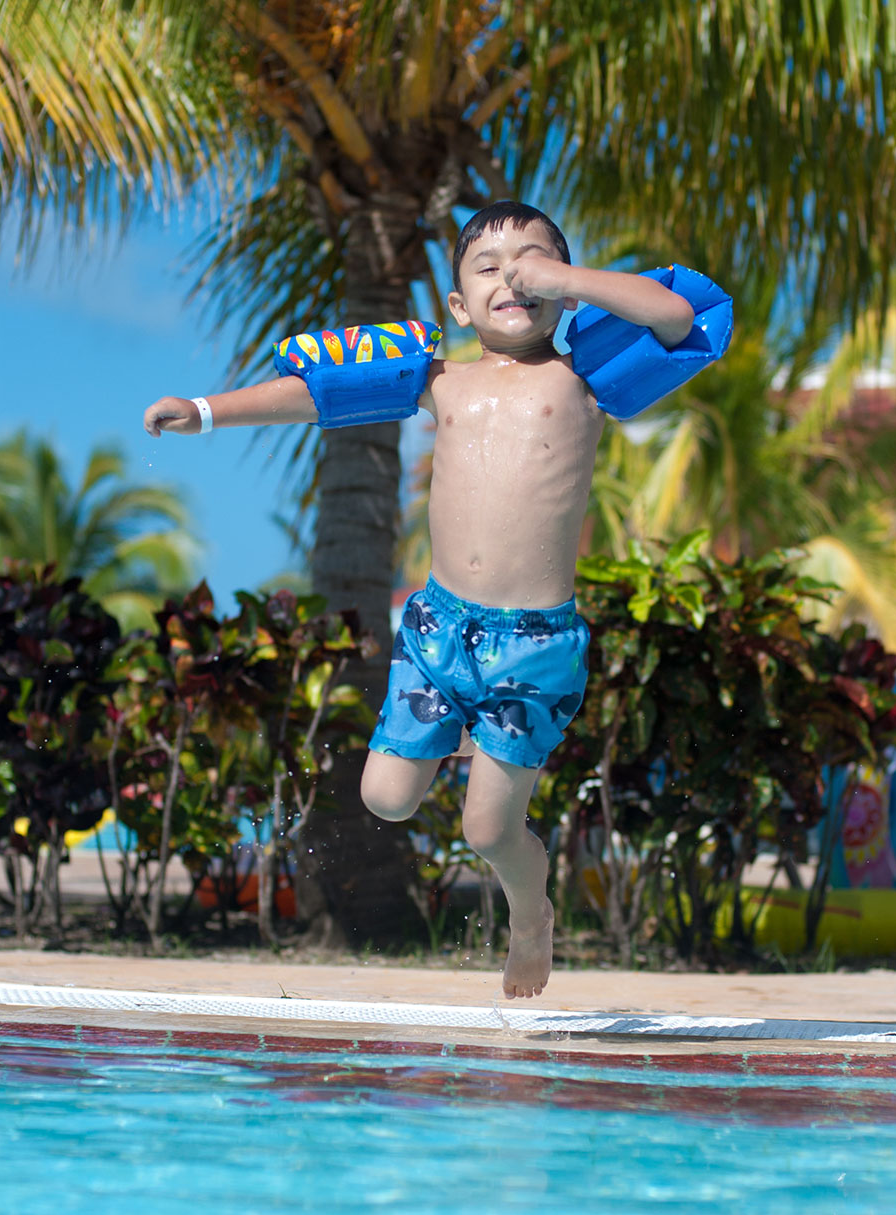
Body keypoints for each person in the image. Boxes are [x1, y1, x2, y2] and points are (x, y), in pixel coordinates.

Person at [144, 201, 695, 999]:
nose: (514, 275)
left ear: (564, 286)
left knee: (488, 830)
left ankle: (530, 913)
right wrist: (204, 413)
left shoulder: (582, 384)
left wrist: (563, 277)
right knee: (386, 797)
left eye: (532, 260)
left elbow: (675, 318)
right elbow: (317, 393)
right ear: (458, 306)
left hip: (533, 644)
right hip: (439, 627)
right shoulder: (443, 383)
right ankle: (477, 743)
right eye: (490, 267)